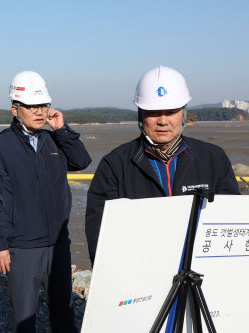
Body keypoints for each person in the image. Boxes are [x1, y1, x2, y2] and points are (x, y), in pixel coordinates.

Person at [85, 66, 241, 265]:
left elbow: (231, 222)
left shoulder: (213, 158)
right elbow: (100, 232)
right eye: (153, 112)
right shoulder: (115, 164)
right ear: (141, 114)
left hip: (200, 273)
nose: (163, 121)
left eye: (171, 112)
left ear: (184, 114)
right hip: (142, 273)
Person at [0, 71, 92, 332]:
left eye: (43, 105)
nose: (40, 112)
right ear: (15, 109)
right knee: (25, 318)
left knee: (63, 312)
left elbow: (81, 161)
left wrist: (62, 129)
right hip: (23, 248)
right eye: (32, 106)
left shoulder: (54, 140)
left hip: (58, 244)